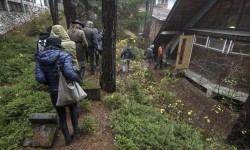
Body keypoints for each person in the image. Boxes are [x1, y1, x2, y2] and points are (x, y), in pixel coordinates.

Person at [35, 37, 80, 146]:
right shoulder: (63, 55)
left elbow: (40, 78)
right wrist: (76, 77)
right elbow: (69, 73)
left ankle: (67, 139)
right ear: (58, 44)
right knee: (73, 107)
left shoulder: (40, 58)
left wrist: (48, 82)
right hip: (66, 89)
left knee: (61, 114)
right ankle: (76, 131)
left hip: (54, 91)